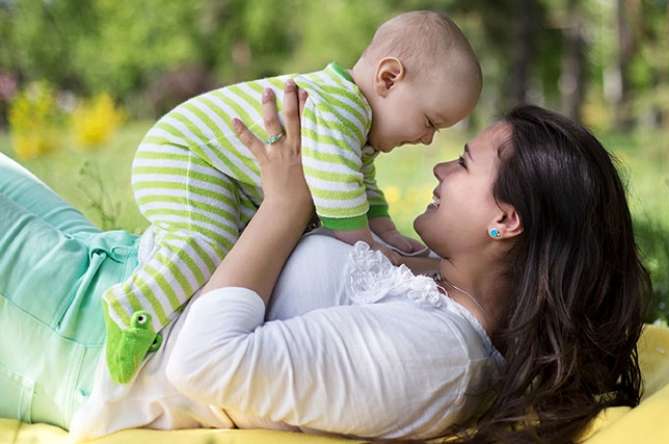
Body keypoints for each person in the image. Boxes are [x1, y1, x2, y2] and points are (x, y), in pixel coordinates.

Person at [0, 82, 649, 443]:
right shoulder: (434, 284)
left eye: (466, 162)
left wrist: (284, 205)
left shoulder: (434, 358)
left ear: (505, 220)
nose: (441, 165)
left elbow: (201, 365)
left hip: (77, 334)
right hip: (106, 270)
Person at [103, 10, 483, 384]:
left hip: (212, 167)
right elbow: (339, 196)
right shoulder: (337, 109)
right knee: (209, 240)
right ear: (388, 78)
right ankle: (134, 307)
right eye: (430, 121)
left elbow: (359, 183)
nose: (428, 139)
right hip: (182, 156)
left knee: (232, 248)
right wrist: (371, 250)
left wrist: (385, 229)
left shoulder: (354, 119)